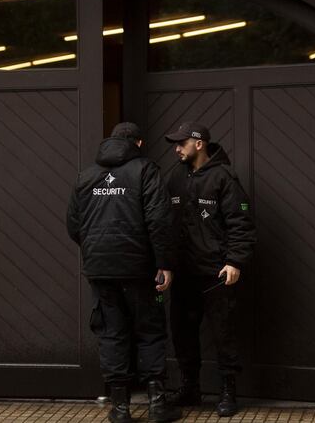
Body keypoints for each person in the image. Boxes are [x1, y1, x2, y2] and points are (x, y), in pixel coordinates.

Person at [66, 122, 182, 423]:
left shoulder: (87, 175)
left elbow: (73, 225)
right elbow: (159, 220)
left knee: (112, 333)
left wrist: (97, 251)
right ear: (139, 143)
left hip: (101, 271)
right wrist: (164, 264)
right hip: (139, 270)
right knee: (150, 331)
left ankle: (120, 408)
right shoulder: (146, 170)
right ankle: (157, 405)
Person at [164, 122, 256, 418]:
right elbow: (163, 223)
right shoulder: (174, 177)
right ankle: (190, 388)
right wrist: (165, 264)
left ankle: (228, 391)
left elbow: (241, 222)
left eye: (181, 143)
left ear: (199, 143)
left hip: (216, 273)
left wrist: (235, 261)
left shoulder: (224, 177)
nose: (176, 148)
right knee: (182, 333)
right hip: (183, 274)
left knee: (223, 333)